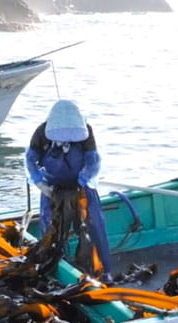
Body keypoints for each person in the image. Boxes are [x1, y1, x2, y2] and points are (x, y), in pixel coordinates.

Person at [25, 99, 113, 283]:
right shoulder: (41, 133)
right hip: (52, 189)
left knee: (94, 225)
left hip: (83, 188)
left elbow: (93, 162)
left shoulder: (87, 133)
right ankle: (55, 268)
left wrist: (84, 180)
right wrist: (40, 183)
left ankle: (104, 270)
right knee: (50, 226)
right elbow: (30, 160)